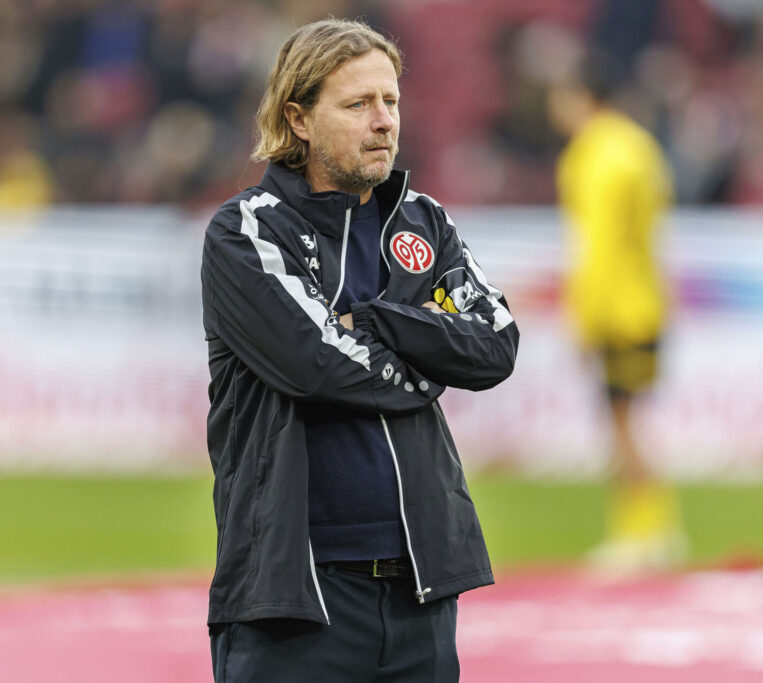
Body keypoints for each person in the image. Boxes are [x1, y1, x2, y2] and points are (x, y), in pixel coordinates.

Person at [200, 18, 519, 682]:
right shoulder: (247, 229)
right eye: (358, 104)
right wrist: (428, 359)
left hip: (420, 593)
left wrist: (374, 318)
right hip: (296, 600)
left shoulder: (424, 222)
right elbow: (313, 359)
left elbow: (494, 346)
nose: (383, 121)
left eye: (391, 101)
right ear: (300, 118)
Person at [549, 53, 686, 574]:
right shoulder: (637, 144)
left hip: (618, 309)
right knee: (630, 420)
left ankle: (643, 533)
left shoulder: (593, 155)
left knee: (622, 423)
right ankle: (651, 529)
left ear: (582, 96)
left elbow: (598, 247)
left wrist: (585, 318)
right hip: (648, 299)